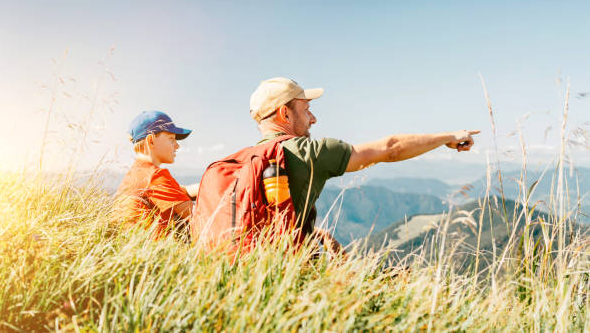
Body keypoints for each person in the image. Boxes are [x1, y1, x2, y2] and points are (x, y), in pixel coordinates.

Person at [249, 77, 480, 245]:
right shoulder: (307, 152)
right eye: (306, 110)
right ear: (284, 114)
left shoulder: (244, 161)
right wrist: (449, 137)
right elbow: (390, 149)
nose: (313, 119)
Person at [112, 110, 195, 236]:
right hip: (151, 251)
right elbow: (199, 215)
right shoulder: (155, 176)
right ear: (151, 140)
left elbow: (181, 191)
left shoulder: (138, 173)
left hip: (130, 248)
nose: (177, 146)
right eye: (171, 139)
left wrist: (210, 185)